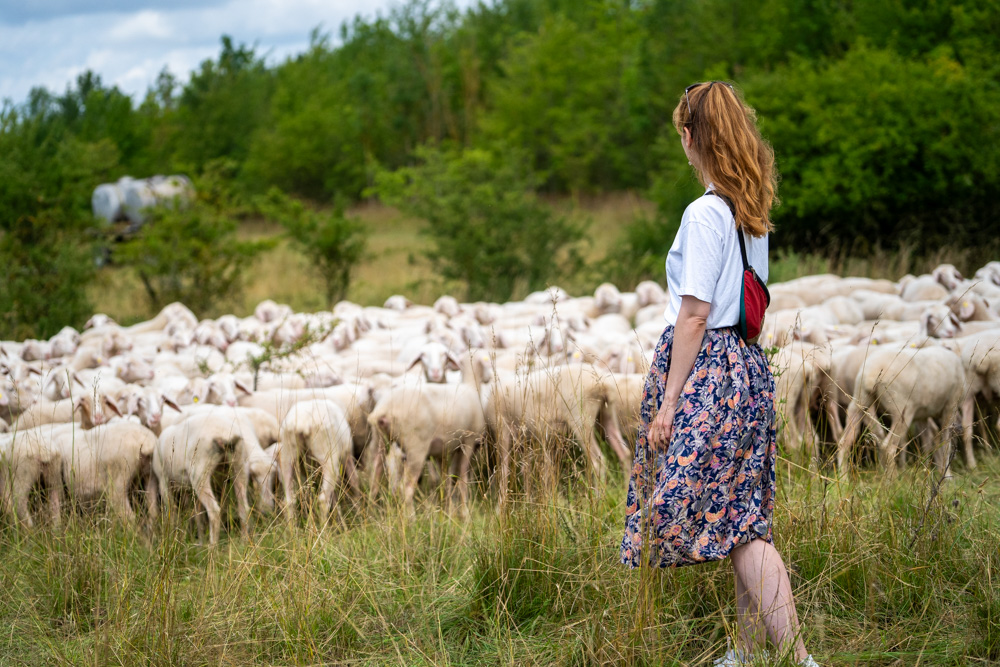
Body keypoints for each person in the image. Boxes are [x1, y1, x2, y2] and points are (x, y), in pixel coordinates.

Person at [619, 81, 818, 667]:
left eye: (681, 133)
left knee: (742, 528)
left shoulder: (706, 212)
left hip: (711, 370)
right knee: (743, 516)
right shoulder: (748, 209)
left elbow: (696, 311)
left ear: (690, 136)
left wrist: (670, 400)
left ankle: (800, 660)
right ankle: (750, 651)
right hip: (748, 368)